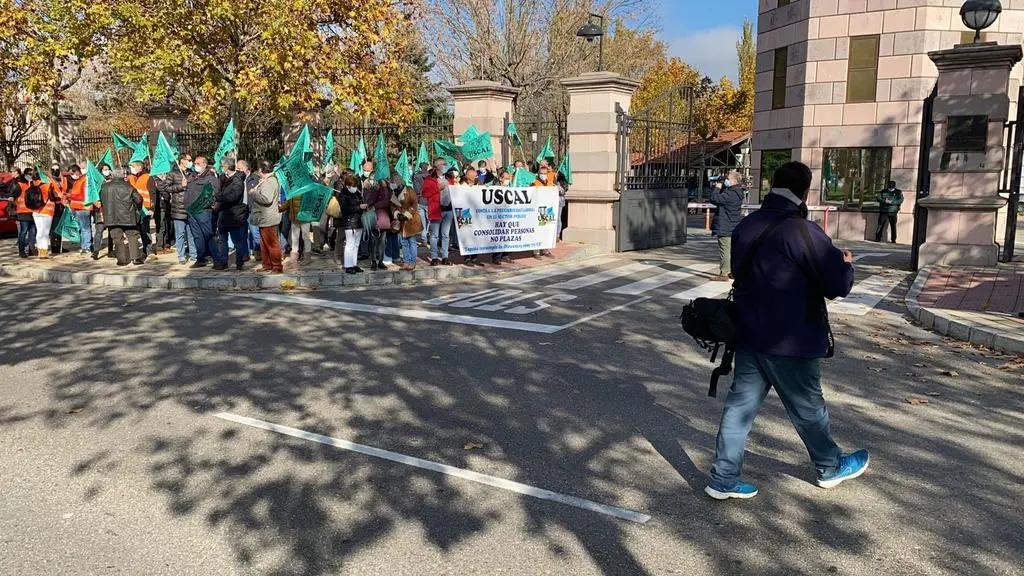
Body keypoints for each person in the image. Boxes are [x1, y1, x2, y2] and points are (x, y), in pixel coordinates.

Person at [705, 161, 868, 501]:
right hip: (792, 337)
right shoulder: (803, 231)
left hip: (749, 333)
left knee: (739, 409)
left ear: (773, 185)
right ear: (805, 191)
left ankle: (723, 478)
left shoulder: (747, 225)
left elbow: (739, 270)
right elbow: (836, 285)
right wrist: (846, 265)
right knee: (808, 407)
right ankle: (829, 465)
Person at [100, 168, 144, 266]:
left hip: (111, 217)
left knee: (117, 239)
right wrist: (137, 209)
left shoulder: (104, 187)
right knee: (132, 237)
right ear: (123, 175)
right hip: (128, 216)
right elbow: (139, 200)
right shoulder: (129, 187)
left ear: (112, 175)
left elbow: (101, 201)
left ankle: (121, 260)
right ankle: (135, 258)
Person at [709, 171, 745, 281]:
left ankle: (723, 274)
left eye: (727, 179)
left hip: (726, 225)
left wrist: (717, 187)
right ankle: (732, 272)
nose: (726, 181)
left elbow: (715, 199)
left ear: (733, 181)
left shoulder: (730, 194)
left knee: (725, 250)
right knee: (732, 251)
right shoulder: (737, 192)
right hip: (733, 225)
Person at [184, 156, 220, 268]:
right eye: (195, 163)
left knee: (208, 235)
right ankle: (200, 259)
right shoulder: (192, 176)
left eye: (198, 163)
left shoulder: (210, 178)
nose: (195, 165)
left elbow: (213, 194)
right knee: (197, 236)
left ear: (204, 164)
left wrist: (202, 206)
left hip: (202, 211)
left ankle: (217, 260)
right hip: (191, 212)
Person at [249, 160, 284, 274]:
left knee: (271, 242)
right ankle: (267, 264)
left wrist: (254, 193)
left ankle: (277, 266)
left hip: (267, 216)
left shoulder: (270, 181)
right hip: (263, 217)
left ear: (261, 170)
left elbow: (266, 199)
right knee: (264, 242)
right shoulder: (265, 180)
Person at [213, 158, 247, 271]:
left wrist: (219, 197)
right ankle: (223, 262)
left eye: (223, 166)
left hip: (234, 215)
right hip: (223, 214)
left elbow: (234, 196)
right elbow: (218, 191)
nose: (222, 168)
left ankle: (239, 262)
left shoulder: (238, 180)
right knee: (222, 240)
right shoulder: (223, 178)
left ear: (227, 167)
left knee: (237, 241)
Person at [421, 158, 454, 266]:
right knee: (434, 235)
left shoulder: (449, 177)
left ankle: (445, 257)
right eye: (444, 164)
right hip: (436, 209)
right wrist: (437, 188)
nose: (446, 166)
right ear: (439, 166)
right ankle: (434, 257)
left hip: (448, 210)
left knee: (445, 235)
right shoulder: (429, 179)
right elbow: (425, 193)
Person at [128, 160, 159, 261]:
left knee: (145, 230)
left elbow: (153, 194)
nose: (130, 169)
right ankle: (140, 251)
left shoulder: (148, 177)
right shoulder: (130, 178)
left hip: (144, 209)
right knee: (136, 230)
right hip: (133, 208)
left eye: (132, 167)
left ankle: (149, 251)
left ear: (139, 167)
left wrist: (152, 209)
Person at [337, 174, 367, 273]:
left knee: (356, 244)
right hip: (349, 222)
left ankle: (354, 263)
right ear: (347, 185)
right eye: (353, 186)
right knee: (350, 244)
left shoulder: (357, 193)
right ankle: (348, 265)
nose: (354, 188)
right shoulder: (343, 195)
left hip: (358, 221)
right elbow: (345, 209)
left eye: (355, 186)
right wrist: (359, 207)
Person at [395, 174, 422, 271]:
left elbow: (414, 204)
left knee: (412, 242)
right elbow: (393, 205)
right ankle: (406, 262)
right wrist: (396, 213)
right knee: (404, 242)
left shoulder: (409, 190)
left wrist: (406, 214)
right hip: (401, 221)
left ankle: (412, 262)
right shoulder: (394, 193)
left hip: (411, 220)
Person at [363, 177, 391, 270]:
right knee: (374, 240)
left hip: (384, 217)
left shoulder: (388, 191)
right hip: (375, 217)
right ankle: (374, 261)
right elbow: (368, 201)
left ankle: (380, 261)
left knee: (382, 241)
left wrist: (375, 205)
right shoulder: (374, 191)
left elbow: (387, 202)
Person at [66, 165, 93, 255]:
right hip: (76, 208)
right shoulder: (77, 181)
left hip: (83, 208)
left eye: (72, 173)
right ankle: (83, 246)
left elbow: (85, 195)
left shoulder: (84, 180)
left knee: (85, 228)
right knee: (81, 228)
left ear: (77, 171)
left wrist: (70, 196)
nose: (71, 175)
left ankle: (87, 247)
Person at [238, 159, 261, 262]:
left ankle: (258, 251)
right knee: (242, 233)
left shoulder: (255, 179)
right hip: (241, 210)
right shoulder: (237, 179)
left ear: (246, 169)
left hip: (252, 209)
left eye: (239, 168)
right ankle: (245, 254)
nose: (237, 170)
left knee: (255, 232)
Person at [11, 167, 37, 258]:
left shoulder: (34, 184)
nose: (31, 176)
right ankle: (21, 251)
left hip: (33, 212)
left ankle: (31, 249)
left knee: (32, 232)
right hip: (23, 212)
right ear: (25, 175)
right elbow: (13, 195)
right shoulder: (20, 184)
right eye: (29, 174)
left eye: (32, 174)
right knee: (24, 232)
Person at [531, 165, 555, 259]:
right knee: (538, 230)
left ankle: (546, 250)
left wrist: (555, 188)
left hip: (548, 209)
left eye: (545, 173)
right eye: (542, 173)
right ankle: (536, 252)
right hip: (538, 209)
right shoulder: (534, 183)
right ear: (538, 174)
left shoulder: (550, 183)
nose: (544, 175)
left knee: (547, 229)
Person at [460, 169, 482, 266]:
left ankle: (474, 257)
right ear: (469, 177)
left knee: (476, 234)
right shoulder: (461, 186)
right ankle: (467, 257)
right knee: (466, 234)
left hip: (477, 213)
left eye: (476, 176)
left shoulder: (478, 185)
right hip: (465, 213)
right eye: (474, 176)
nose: (476, 177)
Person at [413, 161, 430, 246]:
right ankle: (430, 237)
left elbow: (416, 189)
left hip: (420, 201)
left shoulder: (416, 176)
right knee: (430, 221)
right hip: (429, 201)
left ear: (420, 168)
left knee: (423, 222)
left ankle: (424, 239)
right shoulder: (431, 176)